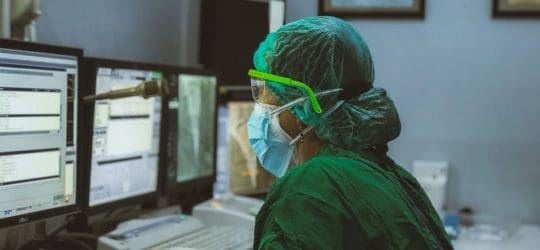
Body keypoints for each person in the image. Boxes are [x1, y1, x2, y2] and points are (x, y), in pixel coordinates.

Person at [246, 16, 453, 249]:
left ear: (300, 103)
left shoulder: (312, 185)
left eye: (263, 90)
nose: (259, 104)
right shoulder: (387, 174)